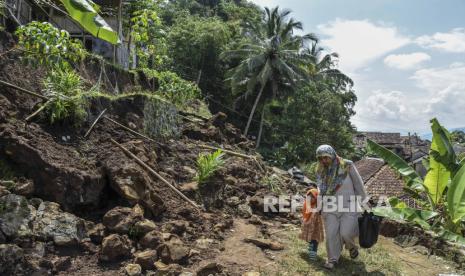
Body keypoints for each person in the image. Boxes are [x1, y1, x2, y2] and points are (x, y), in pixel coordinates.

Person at [315, 145, 367, 270]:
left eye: (326, 157)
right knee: (331, 234)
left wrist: (365, 201)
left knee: (346, 233)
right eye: (321, 158)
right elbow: (320, 190)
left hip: (349, 204)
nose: (324, 161)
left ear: (332, 154)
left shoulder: (347, 165)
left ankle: (351, 246)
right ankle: (332, 259)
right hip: (330, 206)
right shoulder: (320, 170)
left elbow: (358, 184)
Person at [299, 184, 324, 261]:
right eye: (308, 197)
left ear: (316, 197)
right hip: (308, 227)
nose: (310, 199)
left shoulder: (318, 206)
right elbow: (305, 214)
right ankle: (310, 251)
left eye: (312, 197)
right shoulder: (307, 205)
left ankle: (313, 255)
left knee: (314, 240)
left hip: (315, 228)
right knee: (310, 240)